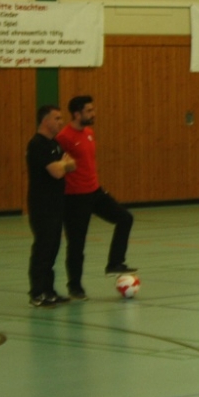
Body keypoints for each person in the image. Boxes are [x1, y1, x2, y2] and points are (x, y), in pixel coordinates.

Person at [56, 96, 136, 301]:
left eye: (93, 110)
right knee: (77, 244)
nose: (93, 114)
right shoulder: (64, 137)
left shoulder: (89, 133)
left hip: (94, 191)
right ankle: (75, 287)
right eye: (89, 111)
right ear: (77, 114)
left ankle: (114, 263)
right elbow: (58, 166)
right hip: (74, 198)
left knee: (125, 218)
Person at [26, 105, 77, 307]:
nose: (61, 122)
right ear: (45, 121)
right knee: (43, 248)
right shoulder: (37, 144)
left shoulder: (55, 144)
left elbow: (72, 164)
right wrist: (62, 165)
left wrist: (62, 165)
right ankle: (37, 293)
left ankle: (49, 290)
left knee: (53, 248)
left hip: (56, 204)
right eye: (57, 118)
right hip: (42, 205)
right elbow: (57, 172)